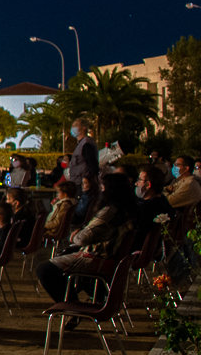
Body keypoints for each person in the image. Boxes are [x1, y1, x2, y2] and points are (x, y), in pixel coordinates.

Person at [36, 171, 138, 311]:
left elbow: (83, 238)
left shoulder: (110, 212)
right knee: (62, 260)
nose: (101, 191)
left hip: (97, 257)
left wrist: (75, 235)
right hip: (109, 256)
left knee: (44, 269)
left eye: (103, 187)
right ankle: (93, 297)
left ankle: (72, 305)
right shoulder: (129, 209)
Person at [64, 117, 101, 190]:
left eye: (75, 125)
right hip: (78, 182)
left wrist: (90, 181)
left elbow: (91, 163)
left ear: (83, 128)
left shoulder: (86, 144)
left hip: (82, 184)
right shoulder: (82, 143)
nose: (73, 128)